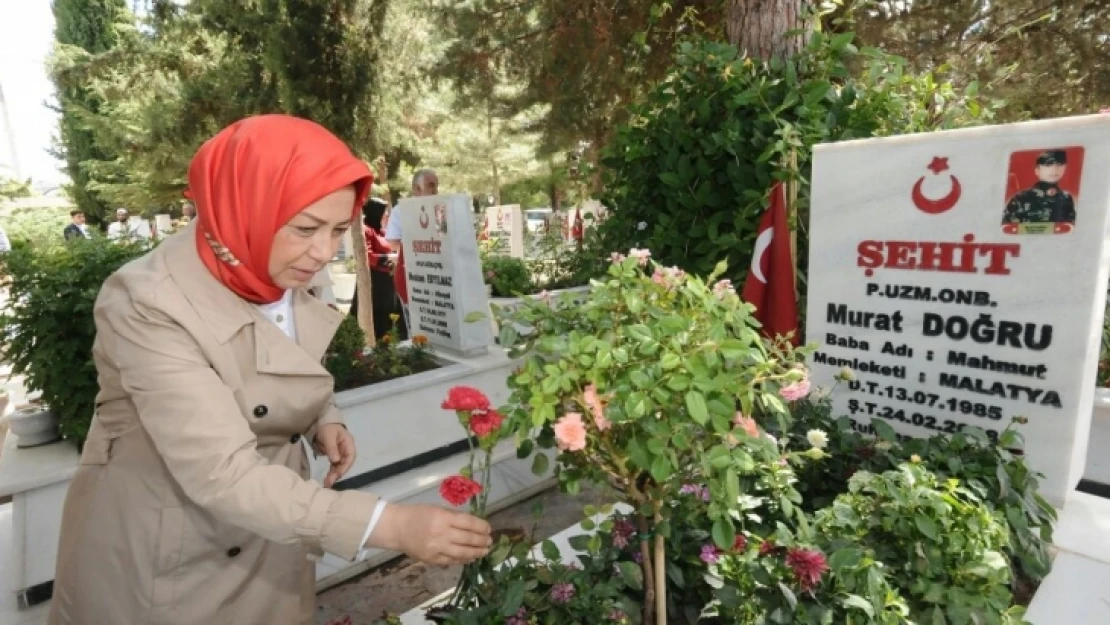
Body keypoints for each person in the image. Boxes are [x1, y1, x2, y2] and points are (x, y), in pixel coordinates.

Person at [47, 115, 491, 625]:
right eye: (305, 228)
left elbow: (273, 358)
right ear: (246, 205)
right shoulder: (146, 301)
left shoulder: (263, 256)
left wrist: (324, 414)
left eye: (335, 230)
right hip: (171, 551)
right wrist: (387, 524)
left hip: (269, 531)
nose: (323, 253)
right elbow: (223, 473)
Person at [349, 197, 402, 340]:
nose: (386, 215)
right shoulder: (365, 230)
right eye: (383, 212)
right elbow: (366, 254)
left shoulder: (383, 231)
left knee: (389, 314)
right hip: (374, 281)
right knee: (376, 314)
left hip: (388, 281)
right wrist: (387, 258)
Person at [1003, 150, 1076, 224]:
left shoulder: (1066, 198)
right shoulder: (1021, 198)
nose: (1054, 169)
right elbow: (1008, 229)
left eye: (1059, 164)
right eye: (1048, 165)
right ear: (1037, 170)